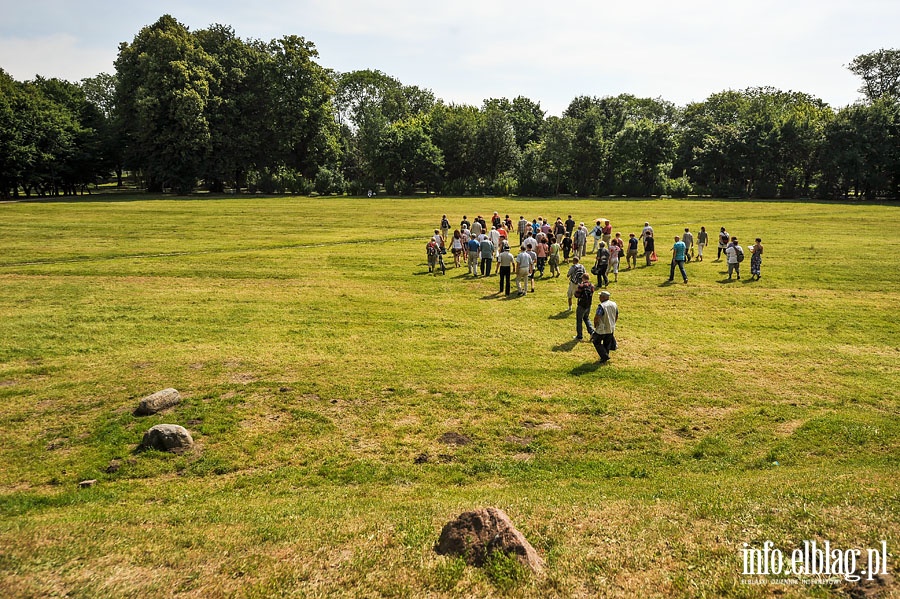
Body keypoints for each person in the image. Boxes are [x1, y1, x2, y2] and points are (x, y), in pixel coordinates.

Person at [591, 290, 618, 364]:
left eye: (600, 296)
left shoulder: (601, 306)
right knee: (607, 343)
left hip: (602, 328)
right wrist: (613, 323)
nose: (599, 297)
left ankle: (604, 356)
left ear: (603, 297)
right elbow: (616, 315)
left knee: (596, 341)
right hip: (611, 327)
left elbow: (597, 317)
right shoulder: (614, 304)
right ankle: (605, 357)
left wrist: (595, 324)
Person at [573, 273, 595, 340]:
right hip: (588, 305)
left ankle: (579, 336)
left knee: (579, 320)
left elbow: (576, 295)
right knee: (586, 318)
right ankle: (592, 332)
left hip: (581, 305)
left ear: (583, 278)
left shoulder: (581, 286)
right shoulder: (592, 286)